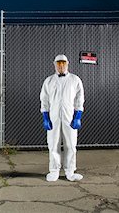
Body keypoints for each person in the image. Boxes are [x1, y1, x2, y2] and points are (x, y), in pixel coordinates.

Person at [40, 54, 85, 182]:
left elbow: (79, 99)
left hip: (69, 117)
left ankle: (70, 171)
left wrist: (78, 117)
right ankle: (54, 171)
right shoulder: (48, 81)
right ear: (54, 64)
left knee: (70, 145)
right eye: (58, 63)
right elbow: (44, 100)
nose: (61, 66)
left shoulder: (75, 80)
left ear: (67, 64)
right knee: (53, 144)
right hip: (53, 118)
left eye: (63, 63)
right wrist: (45, 117)